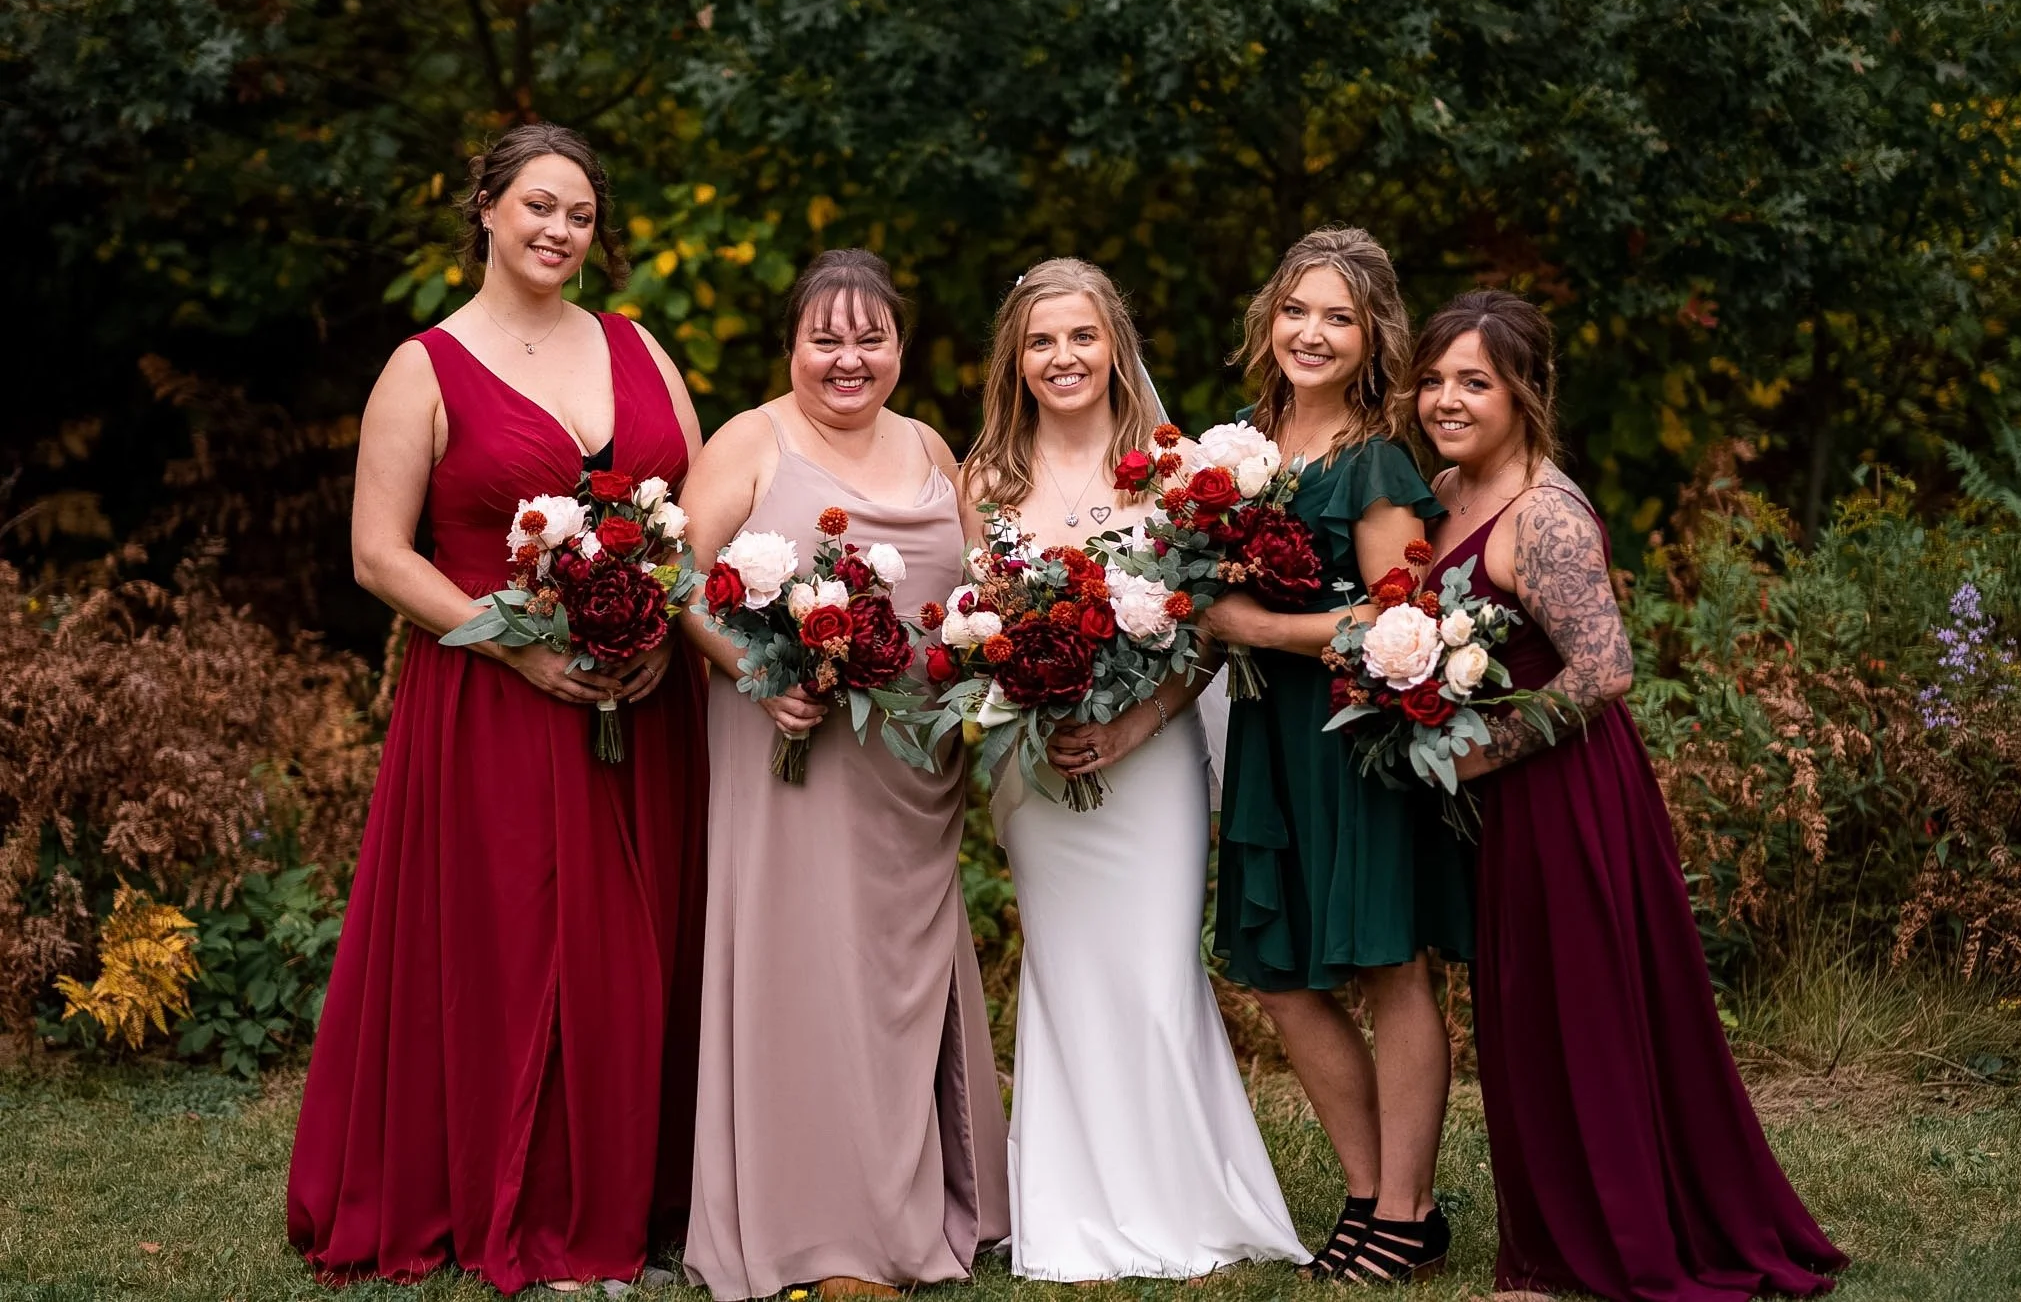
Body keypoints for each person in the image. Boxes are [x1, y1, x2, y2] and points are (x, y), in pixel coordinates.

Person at [287, 122, 709, 1293]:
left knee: (638, 944)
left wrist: (666, 632)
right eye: (535, 205)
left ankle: (644, 1193)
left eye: (577, 213)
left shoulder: (636, 345)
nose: (557, 230)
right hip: (491, 705)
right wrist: (514, 647)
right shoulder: (423, 366)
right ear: (483, 207)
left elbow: (695, 515)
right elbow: (379, 554)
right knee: (516, 951)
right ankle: (525, 1206)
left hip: (643, 701)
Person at [1410, 288, 1848, 1301]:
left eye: (1472, 381)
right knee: (1519, 1017)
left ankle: (1604, 1245)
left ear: (1523, 391)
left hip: (1564, 791)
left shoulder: (1545, 514)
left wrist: (1481, 753)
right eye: (1433, 379)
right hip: (1503, 797)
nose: (1446, 398)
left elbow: (1603, 669)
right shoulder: (1444, 490)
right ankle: (1548, 1238)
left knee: (1581, 1013)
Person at [958, 258, 1308, 1281]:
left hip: (1149, 758)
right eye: (1039, 342)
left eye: (1079, 337)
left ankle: (1181, 1201)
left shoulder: (1168, 469)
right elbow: (982, 625)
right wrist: (1035, 697)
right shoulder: (988, 482)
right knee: (1064, 975)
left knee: (1154, 977)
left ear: (1114, 346)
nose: (1061, 358)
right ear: (1014, 361)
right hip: (1041, 772)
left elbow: (1200, 630)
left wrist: (1133, 722)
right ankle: (1068, 1211)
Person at [678, 249, 1008, 1302]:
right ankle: (814, 1228)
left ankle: (920, 1200)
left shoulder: (927, 444)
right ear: (793, 345)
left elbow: (981, 588)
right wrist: (755, 669)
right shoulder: (751, 439)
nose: (847, 359)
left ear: (900, 349)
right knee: (804, 978)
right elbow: (670, 576)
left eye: (871, 338)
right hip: (793, 751)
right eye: (826, 337)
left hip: (913, 767)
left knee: (893, 984)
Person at [1197, 227, 1470, 1283]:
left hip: (1354, 738)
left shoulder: (1378, 461)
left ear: (1371, 338)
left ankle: (1403, 1213)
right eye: (1296, 310)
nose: (1311, 333)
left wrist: (1260, 629)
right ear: (1269, 319)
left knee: (1388, 966)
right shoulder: (1239, 447)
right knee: (1276, 971)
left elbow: (1399, 621)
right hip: (1265, 739)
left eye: (1338, 318)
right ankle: (1367, 1192)